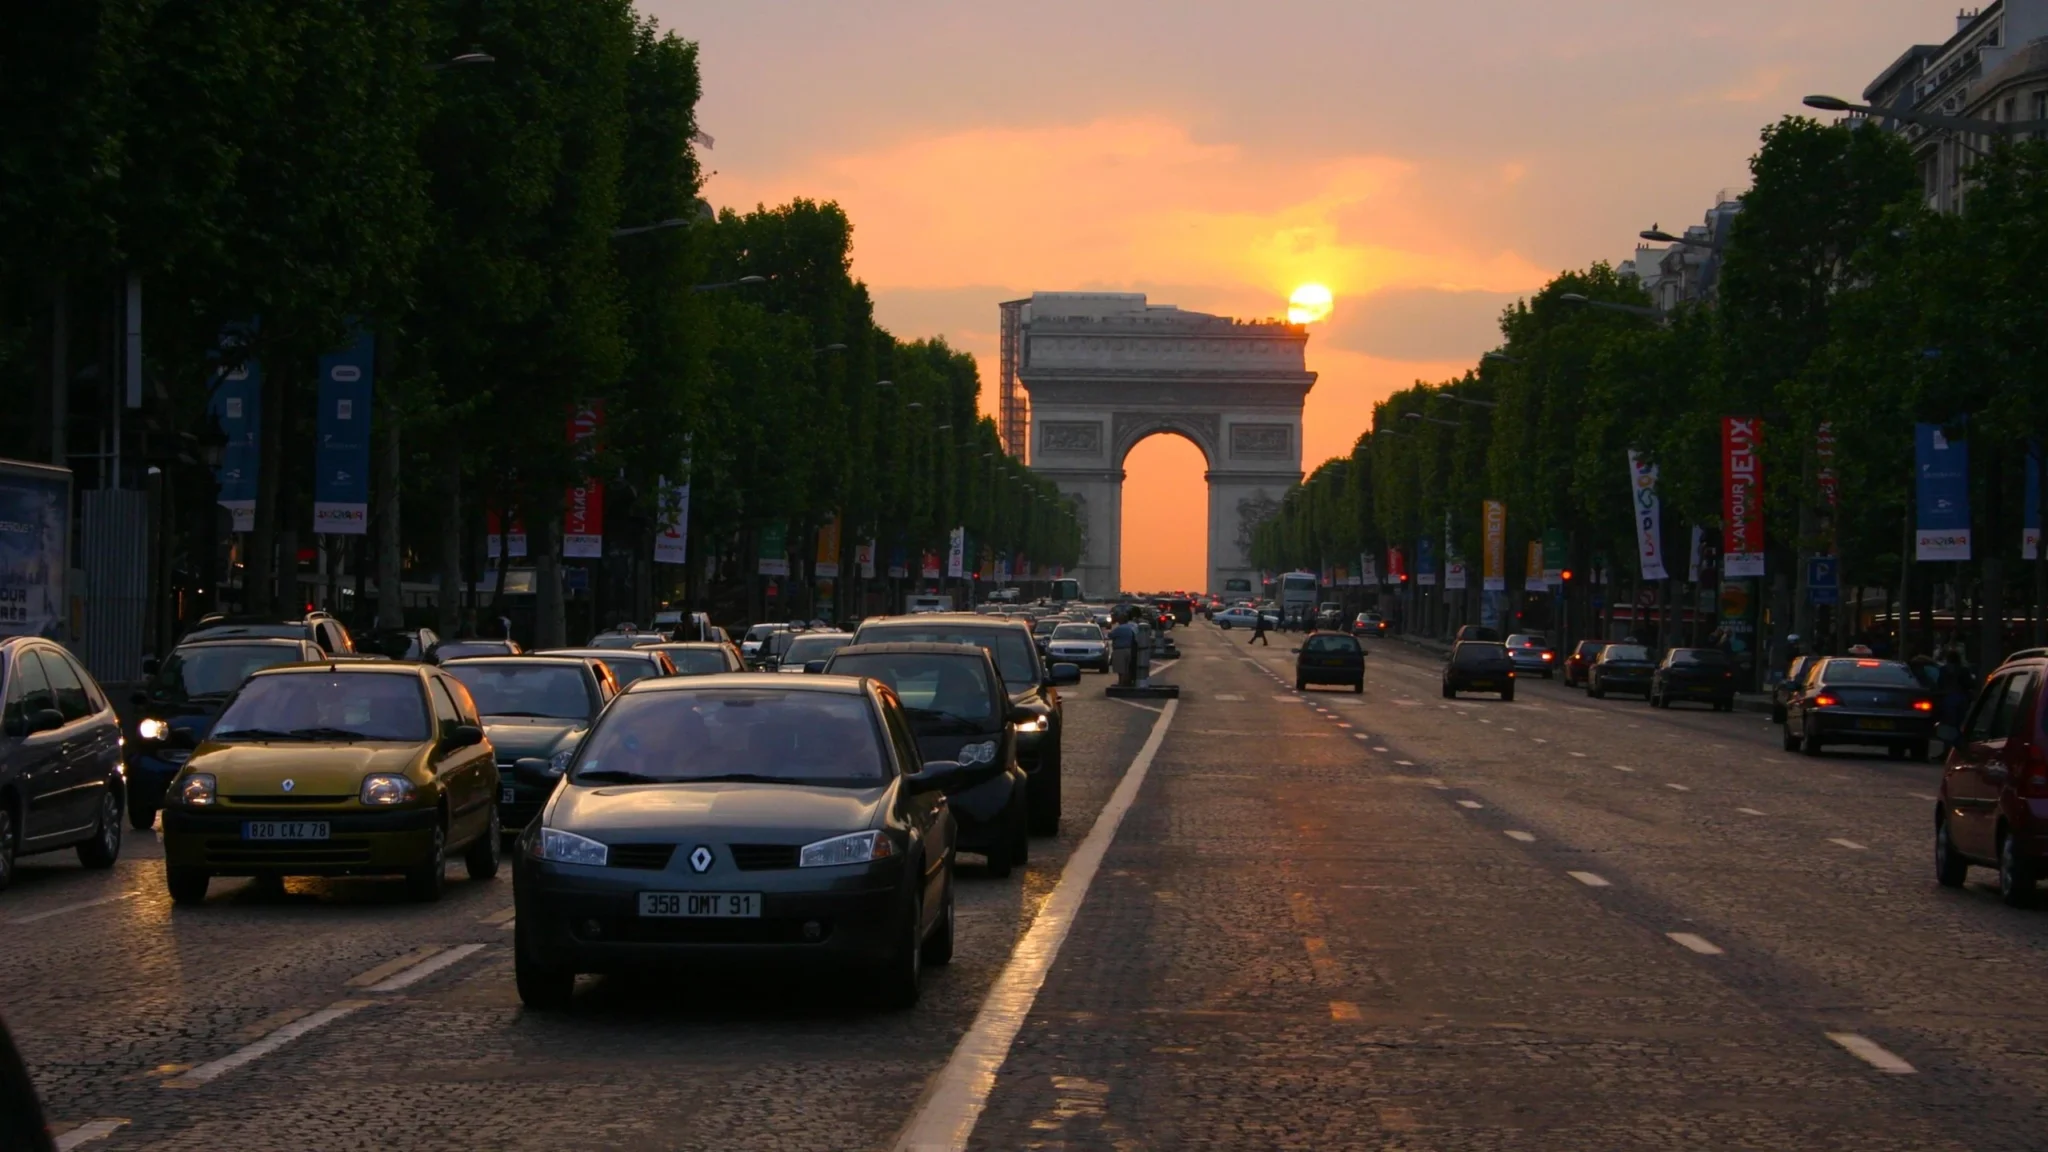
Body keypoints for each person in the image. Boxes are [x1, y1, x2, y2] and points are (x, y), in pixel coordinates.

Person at [1109, 612, 1139, 685]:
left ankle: (1122, 683)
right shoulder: (1131, 627)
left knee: (1121, 670)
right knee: (1127, 669)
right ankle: (1127, 683)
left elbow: (1110, 635)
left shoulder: (1119, 629)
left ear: (1120, 620)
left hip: (1120, 650)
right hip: (1129, 650)